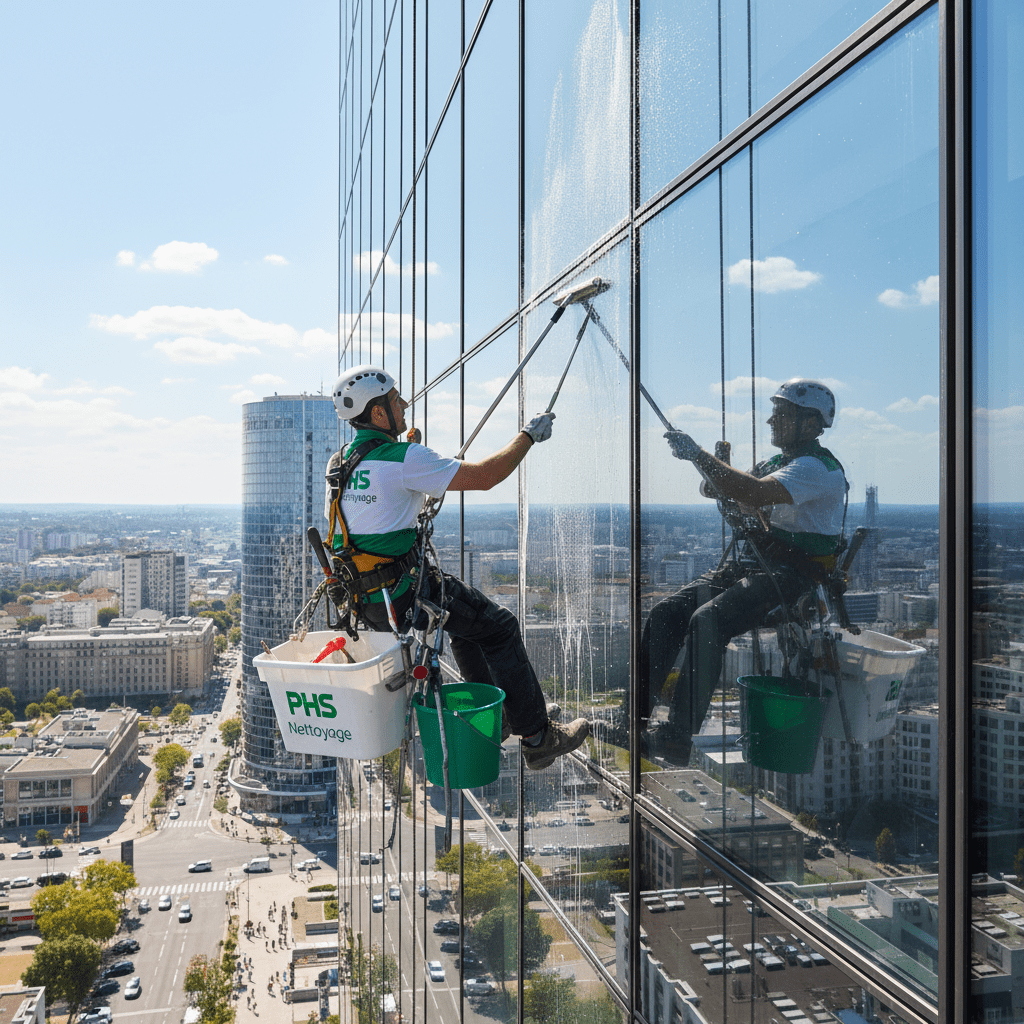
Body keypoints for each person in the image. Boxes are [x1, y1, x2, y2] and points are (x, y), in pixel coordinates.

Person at [325, 365, 590, 771]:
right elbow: (485, 476)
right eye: (396, 401)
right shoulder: (404, 459)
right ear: (379, 414)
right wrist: (528, 437)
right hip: (403, 590)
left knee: (468, 628)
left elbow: (377, 501)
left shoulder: (342, 462)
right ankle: (538, 736)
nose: (404, 403)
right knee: (500, 627)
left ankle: (498, 716)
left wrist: (411, 454)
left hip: (369, 596)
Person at [641, 378, 848, 762]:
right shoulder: (779, 463)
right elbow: (721, 492)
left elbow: (752, 493)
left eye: (782, 414)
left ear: (810, 423)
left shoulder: (816, 468)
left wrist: (701, 457)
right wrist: (716, 468)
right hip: (761, 567)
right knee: (665, 613)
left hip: (793, 577)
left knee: (709, 621)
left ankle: (677, 735)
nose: (771, 420)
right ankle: (632, 722)